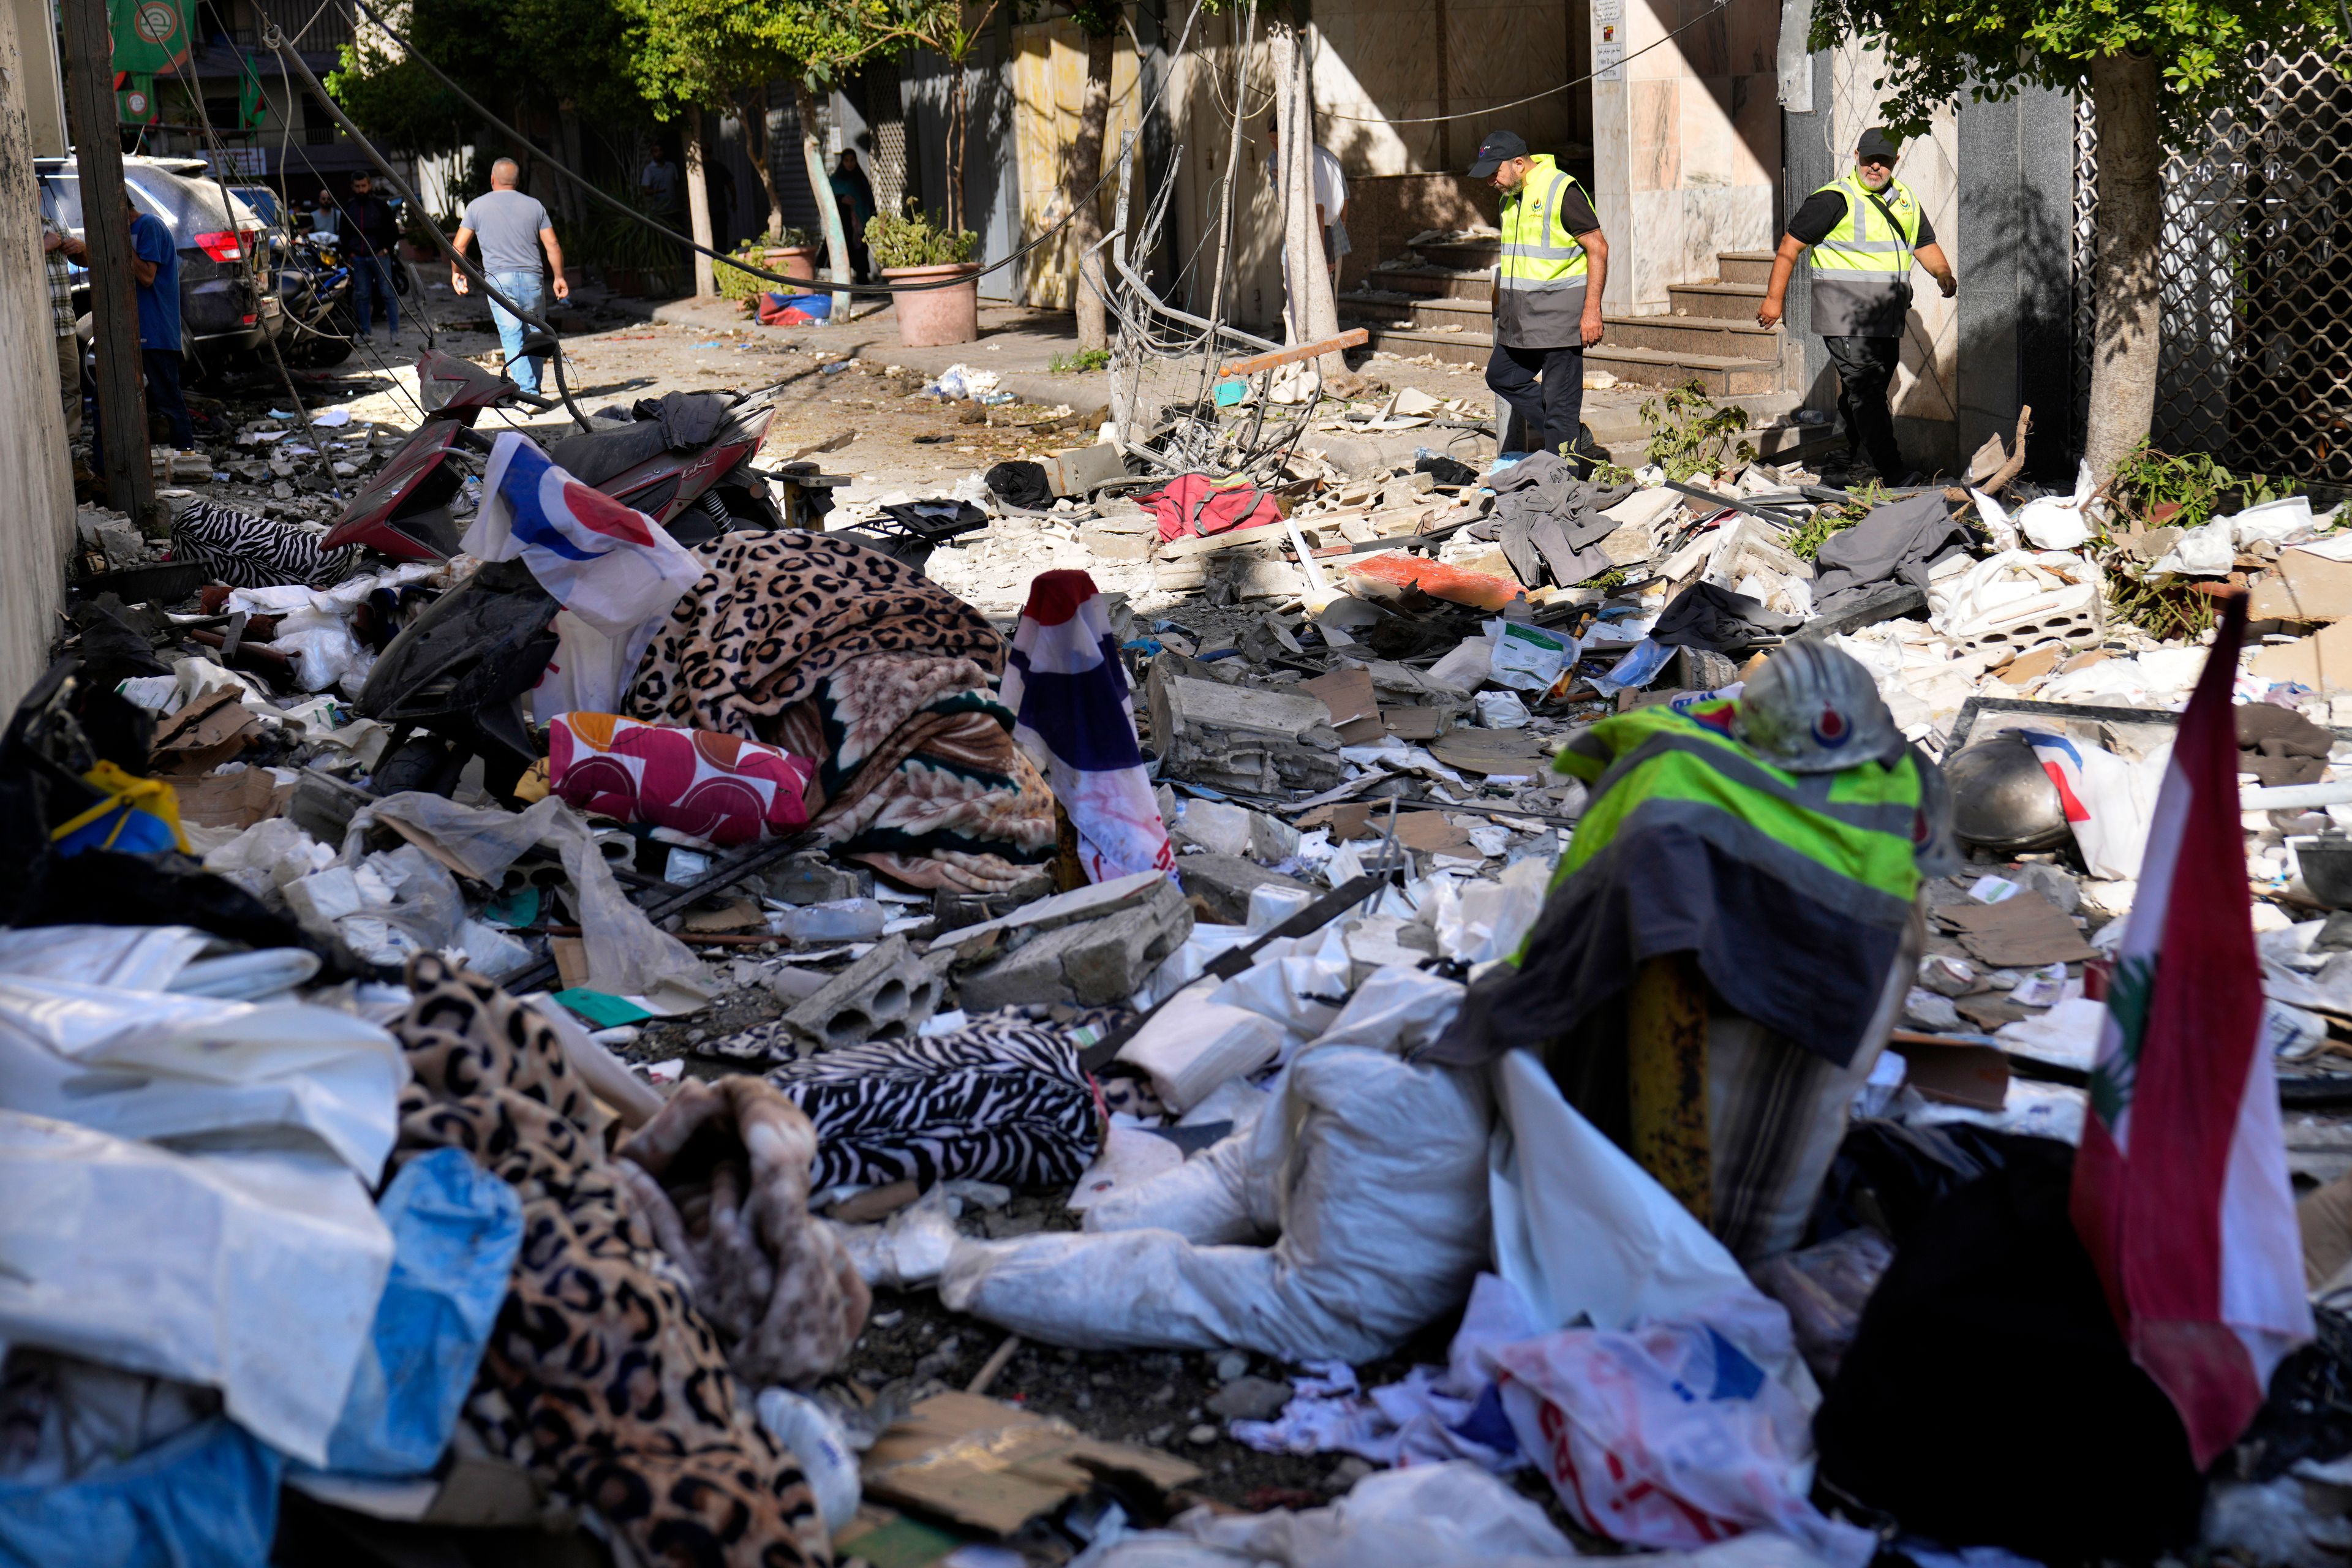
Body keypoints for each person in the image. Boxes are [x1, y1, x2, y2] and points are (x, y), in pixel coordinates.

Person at [1756, 127, 1956, 484]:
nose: (1875, 167)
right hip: (1844, 316)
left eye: (1883, 161)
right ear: (1856, 158)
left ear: (1896, 161)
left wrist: (1942, 273)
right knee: (1866, 390)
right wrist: (1774, 301)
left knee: (1863, 393)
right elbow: (1790, 246)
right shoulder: (1834, 199)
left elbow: (1924, 243)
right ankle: (1893, 470)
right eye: (1869, 160)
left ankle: (1836, 466)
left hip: (1887, 317)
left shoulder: (1905, 199)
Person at [1469, 129, 1608, 459]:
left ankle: (1565, 492)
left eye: (1495, 173)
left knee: (1559, 413)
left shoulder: (1562, 189)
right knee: (1502, 376)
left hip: (1560, 325)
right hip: (1522, 325)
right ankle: (1571, 436)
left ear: (1519, 163)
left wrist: (1592, 310)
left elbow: (1598, 247)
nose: (1491, 182)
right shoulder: (1510, 198)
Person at [450, 157, 570, 396]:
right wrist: (559, 277)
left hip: (498, 282)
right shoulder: (535, 205)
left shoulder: (477, 206)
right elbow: (553, 244)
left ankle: (529, 392)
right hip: (532, 279)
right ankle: (532, 388)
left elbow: (459, 247)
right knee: (535, 334)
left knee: (512, 334)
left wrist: (457, 272)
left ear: (493, 179)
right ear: (518, 181)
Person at [128, 190, 192, 450]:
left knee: (169, 399)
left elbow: (147, 276)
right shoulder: (138, 229)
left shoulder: (148, 226)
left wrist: (122, 245)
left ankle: (186, 454)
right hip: (139, 329)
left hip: (156, 330)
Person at [1264, 115, 1348, 290]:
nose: (1275, 147)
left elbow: (1319, 209)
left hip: (1322, 232)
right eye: (1272, 142)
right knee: (1296, 294)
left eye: (1277, 141)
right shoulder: (1274, 160)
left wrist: (1323, 253)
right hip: (1299, 231)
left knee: (1320, 292)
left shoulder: (1312, 159)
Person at [40, 194, 85, 439]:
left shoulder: (55, 226)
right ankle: (45, 444)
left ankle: (70, 448)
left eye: (36, 192)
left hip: (64, 325)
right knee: (39, 390)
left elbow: (85, 260)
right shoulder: (14, 227)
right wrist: (41, 245)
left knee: (71, 389)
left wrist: (80, 248)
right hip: (35, 329)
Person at [341, 172, 402, 345]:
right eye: (358, 187)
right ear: (353, 188)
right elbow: (343, 233)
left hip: (379, 256)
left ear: (369, 186)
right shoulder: (348, 208)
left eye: (364, 186)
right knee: (362, 296)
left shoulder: (380, 206)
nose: (361, 190)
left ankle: (395, 334)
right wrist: (350, 253)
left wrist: (385, 249)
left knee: (388, 294)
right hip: (359, 258)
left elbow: (393, 231)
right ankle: (366, 333)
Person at [829, 149, 876, 281]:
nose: (850, 164)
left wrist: (873, 218)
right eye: (846, 160)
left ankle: (863, 286)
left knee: (861, 254)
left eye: (852, 160)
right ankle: (843, 288)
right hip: (843, 225)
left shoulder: (860, 179)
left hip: (860, 222)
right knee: (845, 255)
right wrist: (842, 199)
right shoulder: (835, 180)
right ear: (842, 162)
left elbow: (869, 200)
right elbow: (829, 200)